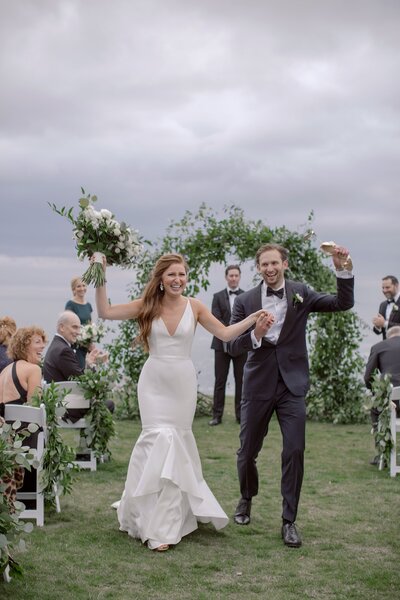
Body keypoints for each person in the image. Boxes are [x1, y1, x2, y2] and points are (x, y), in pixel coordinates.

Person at [95, 253, 272, 552]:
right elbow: (105, 311)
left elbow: (226, 335)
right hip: (153, 382)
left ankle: (166, 522)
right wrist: (99, 271)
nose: (178, 280)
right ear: (161, 279)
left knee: (176, 443)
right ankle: (147, 516)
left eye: (182, 275)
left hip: (182, 383)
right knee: (156, 440)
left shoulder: (196, 306)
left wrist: (253, 320)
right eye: (171, 275)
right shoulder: (147, 305)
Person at [229, 242, 354, 548]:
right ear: (258, 268)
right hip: (257, 385)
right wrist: (256, 334)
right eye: (264, 265)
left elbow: (342, 303)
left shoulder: (302, 292)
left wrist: (342, 268)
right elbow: (230, 346)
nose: (269, 269)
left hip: (292, 386)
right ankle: (246, 497)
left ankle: (289, 521)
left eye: (274, 263)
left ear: (284, 264)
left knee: (294, 450)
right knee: (247, 452)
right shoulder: (245, 301)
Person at [42, 311, 111, 421]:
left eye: (79, 328)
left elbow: (76, 376)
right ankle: (92, 436)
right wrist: (92, 365)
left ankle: (87, 435)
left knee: (100, 402)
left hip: (57, 403)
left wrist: (88, 363)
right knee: (108, 404)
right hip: (66, 408)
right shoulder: (64, 350)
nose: (78, 332)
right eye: (74, 327)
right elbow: (82, 381)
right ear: (62, 327)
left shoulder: (56, 345)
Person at [209, 265, 247, 426]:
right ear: (226, 277)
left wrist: (236, 335)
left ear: (239, 277)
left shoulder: (246, 296)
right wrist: (227, 333)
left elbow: (247, 320)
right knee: (220, 381)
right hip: (220, 346)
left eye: (236, 275)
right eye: (230, 275)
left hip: (241, 345)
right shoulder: (217, 296)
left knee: (242, 381)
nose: (233, 278)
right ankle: (217, 416)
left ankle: (241, 415)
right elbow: (215, 319)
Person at [364, 325, 400, 465]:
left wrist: (375, 393)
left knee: (376, 411)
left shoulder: (378, 346)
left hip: (389, 400)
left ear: (389, 336)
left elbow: (368, 377)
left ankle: (382, 455)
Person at [0, 326, 46, 417]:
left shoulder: (4, 371)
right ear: (24, 346)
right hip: (23, 428)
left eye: (43, 342)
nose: (43, 346)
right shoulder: (34, 369)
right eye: (38, 342)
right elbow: (34, 409)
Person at [65, 277, 93, 368]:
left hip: (87, 345)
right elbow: (69, 327)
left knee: (90, 369)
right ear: (73, 289)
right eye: (78, 286)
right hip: (75, 345)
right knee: (79, 370)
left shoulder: (88, 305)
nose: (82, 288)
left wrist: (91, 342)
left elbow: (90, 325)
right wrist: (81, 341)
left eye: (84, 285)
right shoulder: (70, 305)